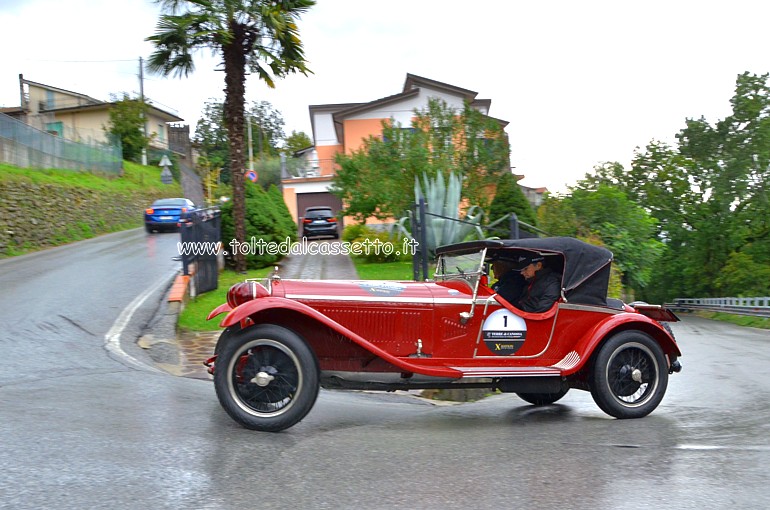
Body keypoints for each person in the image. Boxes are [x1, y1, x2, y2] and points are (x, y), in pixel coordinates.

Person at [491, 253, 562, 313]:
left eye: (525, 269)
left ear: (538, 266)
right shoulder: (531, 281)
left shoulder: (552, 283)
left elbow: (543, 309)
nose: (522, 273)